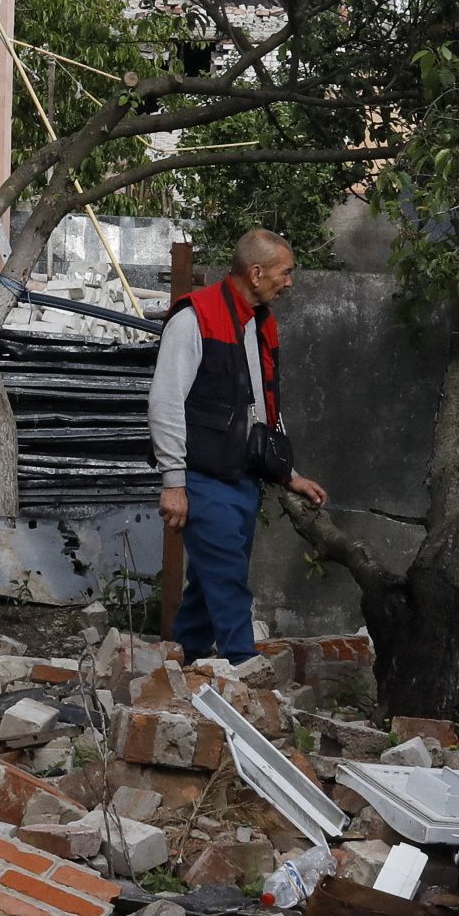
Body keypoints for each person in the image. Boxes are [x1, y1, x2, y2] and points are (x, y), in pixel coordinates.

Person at [148, 229, 328, 663]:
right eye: (285, 273)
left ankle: (182, 663)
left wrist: (289, 475)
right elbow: (165, 401)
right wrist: (174, 483)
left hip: (241, 480)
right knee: (228, 580)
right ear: (256, 271)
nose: (290, 282)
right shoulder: (195, 318)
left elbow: (263, 408)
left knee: (209, 584)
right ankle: (246, 674)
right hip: (203, 479)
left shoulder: (259, 324)